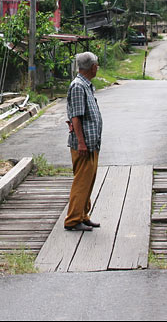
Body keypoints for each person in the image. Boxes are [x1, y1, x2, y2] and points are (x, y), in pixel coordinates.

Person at [64, 51, 103, 231]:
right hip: (84, 144)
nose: (97, 68)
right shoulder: (78, 86)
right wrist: (81, 142)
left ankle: (83, 215)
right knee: (81, 182)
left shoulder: (86, 85)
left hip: (91, 143)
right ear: (92, 67)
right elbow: (76, 117)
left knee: (88, 181)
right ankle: (73, 220)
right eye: (96, 65)